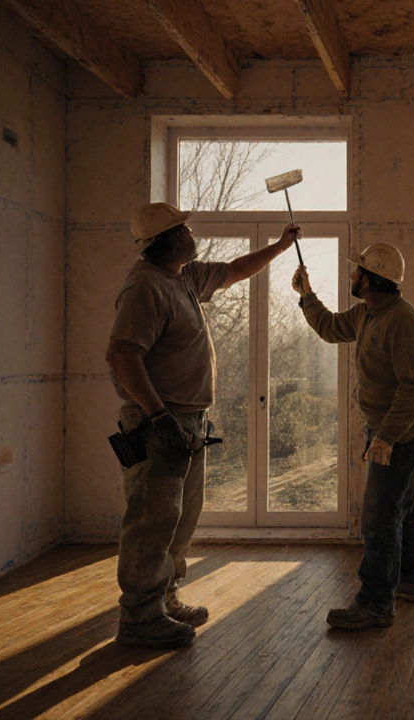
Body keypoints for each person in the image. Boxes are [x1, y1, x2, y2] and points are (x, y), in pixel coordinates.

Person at [106, 201, 301, 649]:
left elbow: (233, 270)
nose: (191, 232)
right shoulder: (145, 289)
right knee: (152, 519)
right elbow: (121, 355)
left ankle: (164, 599)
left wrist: (278, 247)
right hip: (157, 423)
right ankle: (138, 615)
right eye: (183, 228)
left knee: (180, 518)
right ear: (166, 241)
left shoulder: (183, 277)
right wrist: (159, 415)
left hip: (184, 422)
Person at [291, 242, 414, 630]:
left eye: (356, 271)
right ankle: (409, 581)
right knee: (403, 510)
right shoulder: (369, 313)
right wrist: (307, 296)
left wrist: (385, 437)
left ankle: (375, 602)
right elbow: (332, 328)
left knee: (379, 518)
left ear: (369, 280)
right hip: (395, 433)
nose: (351, 275)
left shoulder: (401, 320)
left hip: (400, 436)